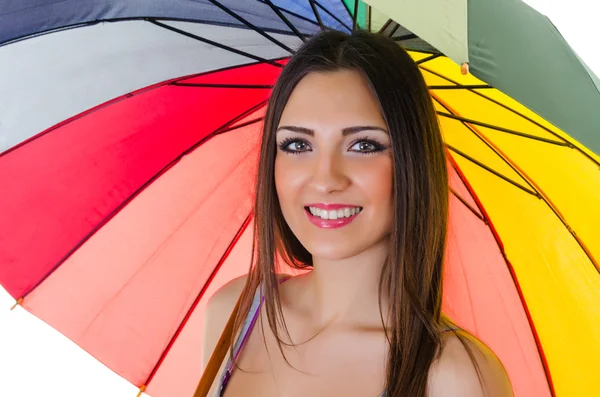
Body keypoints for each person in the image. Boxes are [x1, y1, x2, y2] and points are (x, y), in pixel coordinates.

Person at [201, 29, 513, 397]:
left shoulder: (455, 377)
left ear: (412, 164)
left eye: (363, 145)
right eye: (297, 144)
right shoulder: (235, 313)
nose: (326, 178)